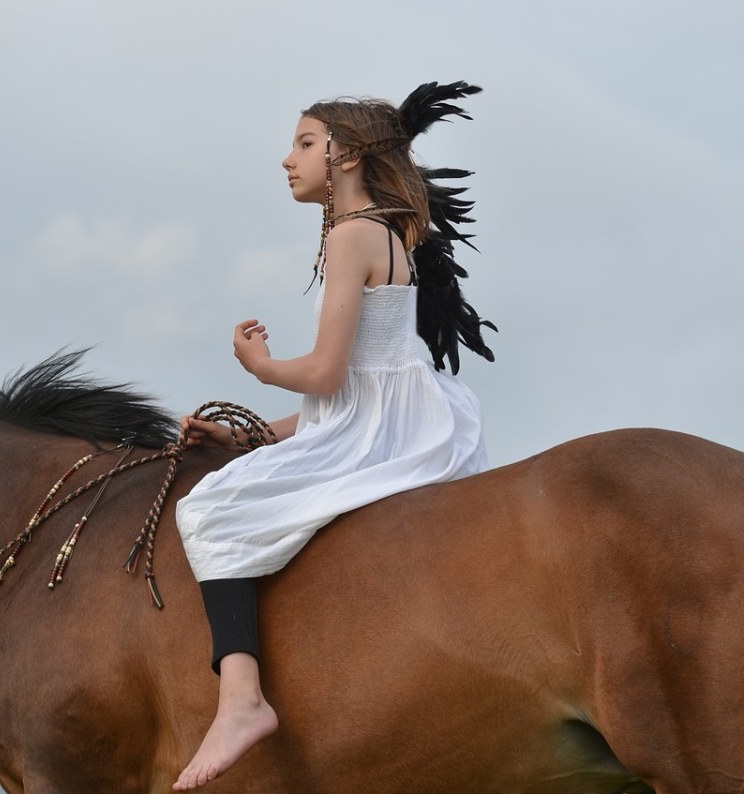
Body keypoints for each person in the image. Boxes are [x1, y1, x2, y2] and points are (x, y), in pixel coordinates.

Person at [172, 81, 495, 790]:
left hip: (385, 433)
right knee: (234, 480)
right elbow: (352, 399)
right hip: (394, 420)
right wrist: (249, 437)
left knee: (207, 510)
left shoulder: (353, 234)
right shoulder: (382, 230)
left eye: (305, 144)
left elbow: (323, 376)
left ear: (344, 156)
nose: (288, 159)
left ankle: (241, 701)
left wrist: (258, 368)